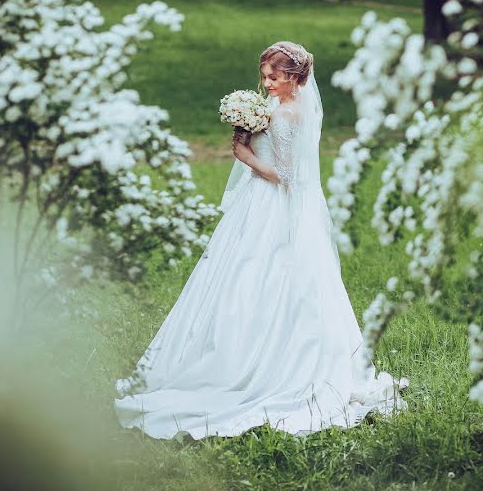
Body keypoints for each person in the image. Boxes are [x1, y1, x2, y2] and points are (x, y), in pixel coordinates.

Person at [113, 41, 409, 441]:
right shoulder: (275, 106)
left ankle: (274, 365)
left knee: (270, 276)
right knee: (237, 278)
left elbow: (288, 177)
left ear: (296, 78)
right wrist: (248, 130)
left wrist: (244, 154)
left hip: (277, 206)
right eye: (264, 76)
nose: (267, 84)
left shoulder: (292, 113)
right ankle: (225, 357)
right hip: (256, 207)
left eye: (275, 77)